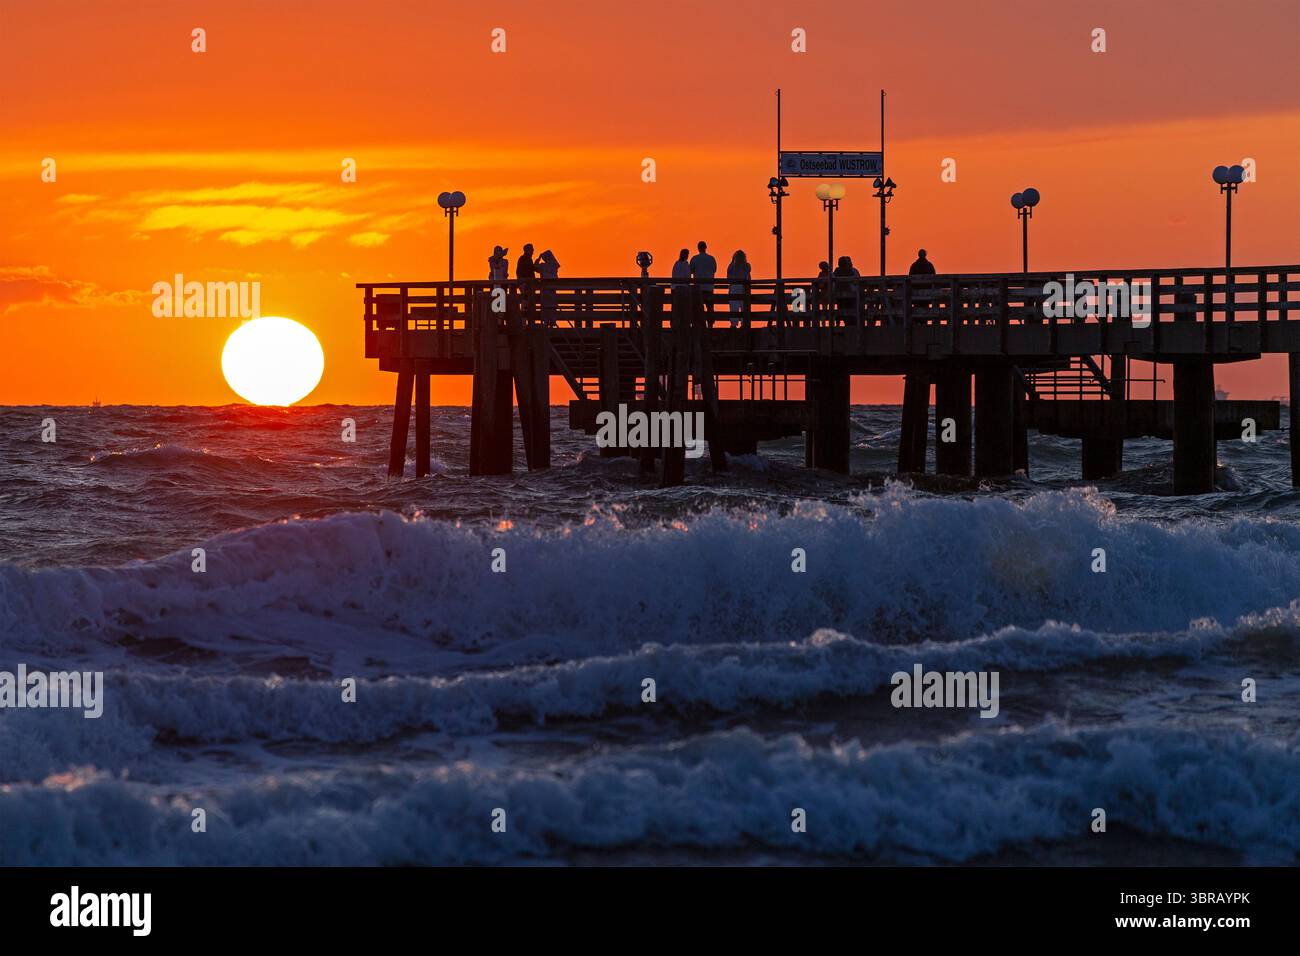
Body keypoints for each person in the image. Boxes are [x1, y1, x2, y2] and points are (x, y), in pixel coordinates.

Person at [689, 240, 717, 317]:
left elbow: (691, 271)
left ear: (698, 248)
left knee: (698, 308)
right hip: (709, 287)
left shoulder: (694, 259)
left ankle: (699, 323)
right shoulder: (711, 258)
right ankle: (710, 322)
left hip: (698, 288)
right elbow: (714, 270)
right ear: (706, 247)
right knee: (710, 308)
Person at [535, 249, 561, 325]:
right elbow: (557, 265)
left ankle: (545, 321)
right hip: (552, 288)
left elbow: (534, 266)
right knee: (552, 304)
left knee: (545, 305)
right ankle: (552, 320)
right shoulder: (554, 265)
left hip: (545, 289)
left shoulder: (543, 266)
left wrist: (539, 258)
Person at [833, 255, 861, 324]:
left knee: (841, 309)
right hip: (849, 293)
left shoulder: (837, 271)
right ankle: (850, 323)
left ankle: (839, 323)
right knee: (850, 309)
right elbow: (857, 281)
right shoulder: (850, 271)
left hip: (840, 293)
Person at [726, 250, 751, 328]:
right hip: (744, 287)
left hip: (734, 287)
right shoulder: (747, 266)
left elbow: (728, 277)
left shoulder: (732, 266)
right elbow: (749, 277)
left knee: (734, 306)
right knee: (744, 306)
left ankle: (734, 324)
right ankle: (744, 324)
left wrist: (732, 261)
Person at [671, 248, 692, 316]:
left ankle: (673, 320)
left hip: (675, 288)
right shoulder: (686, 265)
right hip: (683, 289)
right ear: (687, 255)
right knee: (684, 308)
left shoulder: (676, 263)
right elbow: (688, 277)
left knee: (675, 307)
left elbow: (673, 274)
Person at [516, 243, 535, 315]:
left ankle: (525, 315)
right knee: (525, 299)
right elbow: (530, 269)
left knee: (526, 300)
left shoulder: (525, 258)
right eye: (531, 249)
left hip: (527, 283)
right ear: (526, 250)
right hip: (525, 284)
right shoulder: (525, 259)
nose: (533, 250)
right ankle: (524, 316)